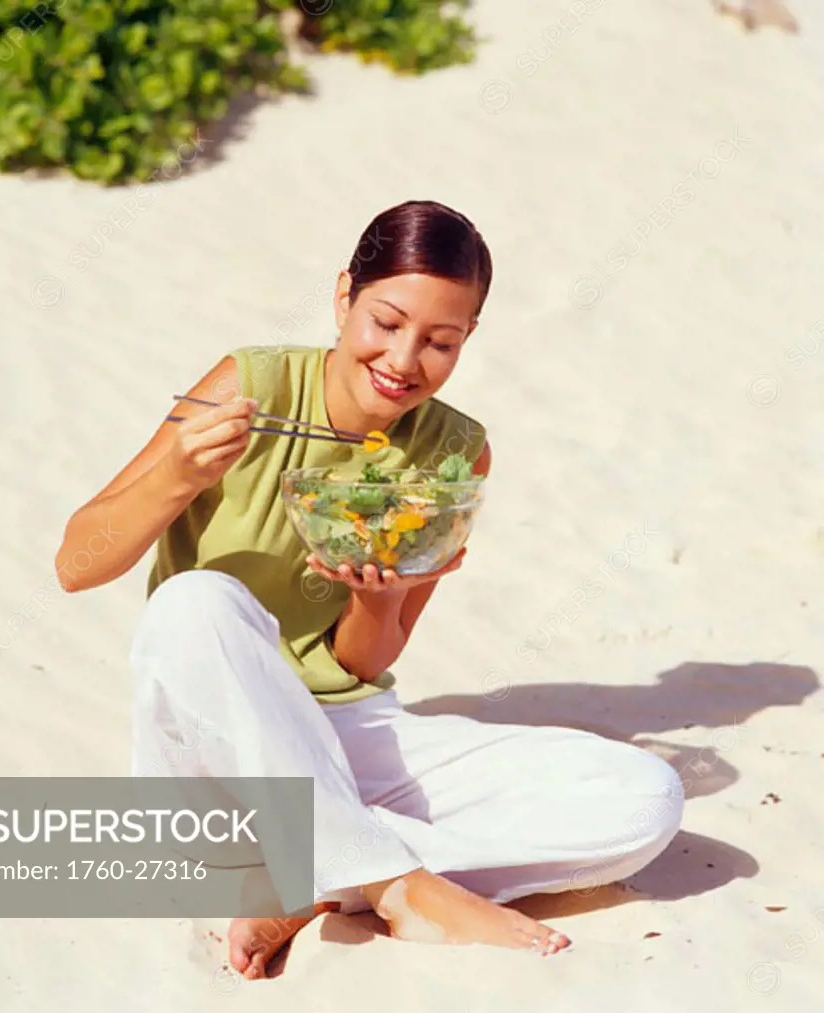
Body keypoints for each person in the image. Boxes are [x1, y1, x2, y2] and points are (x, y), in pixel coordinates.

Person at [55, 199, 684, 980]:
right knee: (195, 601)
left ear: (467, 340)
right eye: (386, 321)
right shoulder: (252, 382)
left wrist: (379, 601)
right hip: (215, 743)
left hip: (349, 729)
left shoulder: (455, 454)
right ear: (345, 295)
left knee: (643, 798)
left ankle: (318, 876)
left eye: (440, 341)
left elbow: (356, 665)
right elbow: (77, 564)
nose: (404, 359)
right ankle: (392, 880)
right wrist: (181, 472)